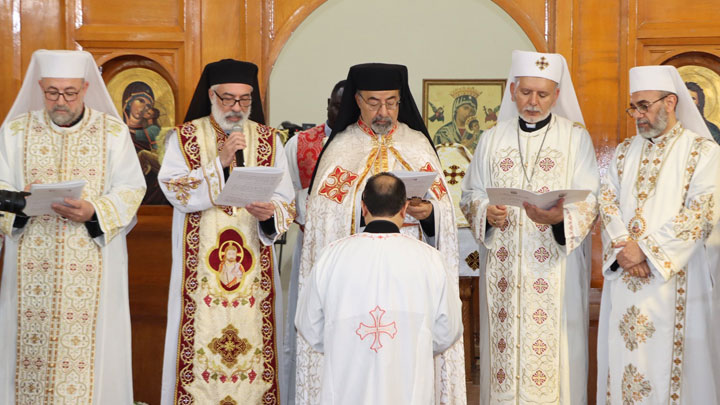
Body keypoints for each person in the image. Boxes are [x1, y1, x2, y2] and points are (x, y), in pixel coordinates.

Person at [296, 63, 466, 405]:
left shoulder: (417, 144)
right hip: (355, 290)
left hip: (409, 287)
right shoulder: (341, 149)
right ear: (357, 101)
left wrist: (429, 215)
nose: (383, 112)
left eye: (391, 102)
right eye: (374, 102)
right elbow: (324, 217)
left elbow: (445, 214)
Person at [0, 49, 146, 404]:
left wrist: (93, 210)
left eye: (69, 92)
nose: (61, 101)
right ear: (40, 87)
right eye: (52, 92)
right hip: (30, 264)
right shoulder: (15, 131)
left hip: (94, 264)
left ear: (85, 88)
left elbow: (131, 188)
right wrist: (20, 202)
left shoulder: (112, 132)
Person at [460, 50, 599, 404]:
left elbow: (590, 200)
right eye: (525, 92)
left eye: (542, 94)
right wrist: (485, 212)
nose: (533, 102)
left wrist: (559, 219)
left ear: (556, 95)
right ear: (512, 91)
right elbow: (471, 193)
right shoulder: (492, 139)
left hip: (554, 271)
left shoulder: (575, 139)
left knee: (555, 366)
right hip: (504, 274)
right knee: (504, 361)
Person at [157, 59, 295, 405]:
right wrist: (219, 161)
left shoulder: (269, 140)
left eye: (245, 99)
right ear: (211, 96)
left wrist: (270, 214)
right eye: (228, 98)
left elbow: (287, 201)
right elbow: (175, 189)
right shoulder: (184, 137)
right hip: (201, 276)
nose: (237, 107)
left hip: (254, 276)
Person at [596, 65, 720, 404]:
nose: (638, 115)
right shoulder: (623, 152)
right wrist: (624, 249)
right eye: (633, 107)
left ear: (670, 102)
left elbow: (702, 213)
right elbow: (606, 201)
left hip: (679, 281)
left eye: (644, 106)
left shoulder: (703, 152)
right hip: (625, 280)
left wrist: (646, 251)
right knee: (626, 364)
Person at [295, 172, 463, 404]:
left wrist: (340, 342)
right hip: (408, 387)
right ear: (404, 209)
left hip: (346, 387)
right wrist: (416, 344)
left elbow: (308, 323)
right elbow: (449, 329)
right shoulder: (430, 259)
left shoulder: (331, 256)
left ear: (363, 207)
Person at [281, 79, 344, 405]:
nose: (339, 113)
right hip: (310, 248)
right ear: (328, 104)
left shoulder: (363, 144)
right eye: (336, 106)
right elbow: (284, 191)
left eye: (346, 108)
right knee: (307, 323)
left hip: (350, 253)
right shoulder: (300, 144)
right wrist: (306, 216)